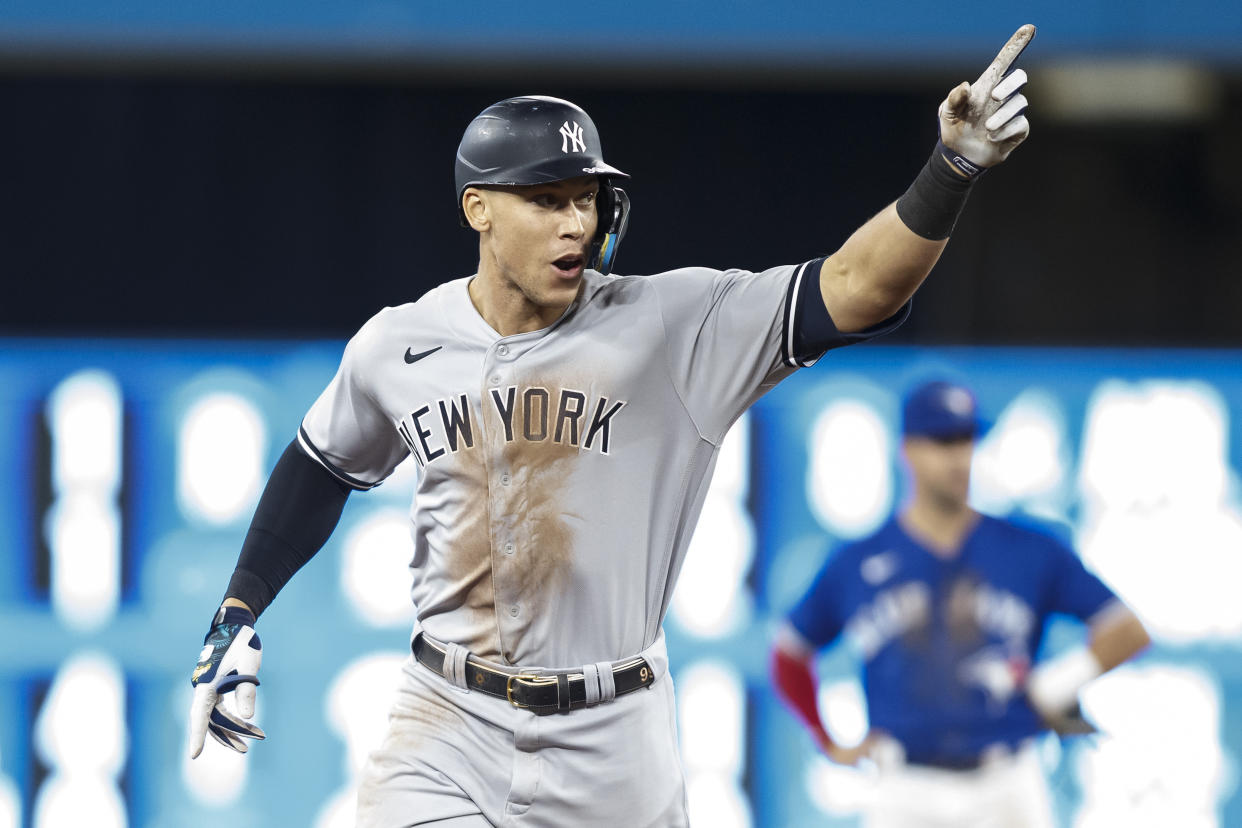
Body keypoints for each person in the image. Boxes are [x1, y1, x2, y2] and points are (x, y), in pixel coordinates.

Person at [187, 25, 1039, 827]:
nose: (576, 223)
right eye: (546, 200)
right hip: (445, 714)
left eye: (587, 200)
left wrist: (951, 169)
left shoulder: (673, 325)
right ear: (478, 209)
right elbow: (323, 462)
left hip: (612, 736)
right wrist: (237, 608)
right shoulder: (398, 342)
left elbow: (856, 288)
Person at [770, 378, 1152, 827]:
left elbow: (1126, 630)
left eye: (965, 440)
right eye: (941, 441)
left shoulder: (1027, 548)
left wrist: (1056, 683)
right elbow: (790, 654)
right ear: (907, 450)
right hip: (903, 788)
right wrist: (825, 738)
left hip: (1007, 781)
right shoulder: (859, 561)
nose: (957, 457)